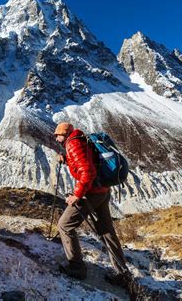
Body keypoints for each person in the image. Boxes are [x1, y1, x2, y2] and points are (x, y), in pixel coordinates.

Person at [54, 122, 130, 286]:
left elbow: (87, 171)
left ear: (64, 134)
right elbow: (89, 159)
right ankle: (122, 273)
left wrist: (76, 195)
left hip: (91, 194)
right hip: (102, 191)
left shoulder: (73, 144)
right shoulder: (80, 139)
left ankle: (76, 267)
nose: (56, 138)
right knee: (106, 232)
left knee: (65, 225)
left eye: (57, 135)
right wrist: (67, 159)